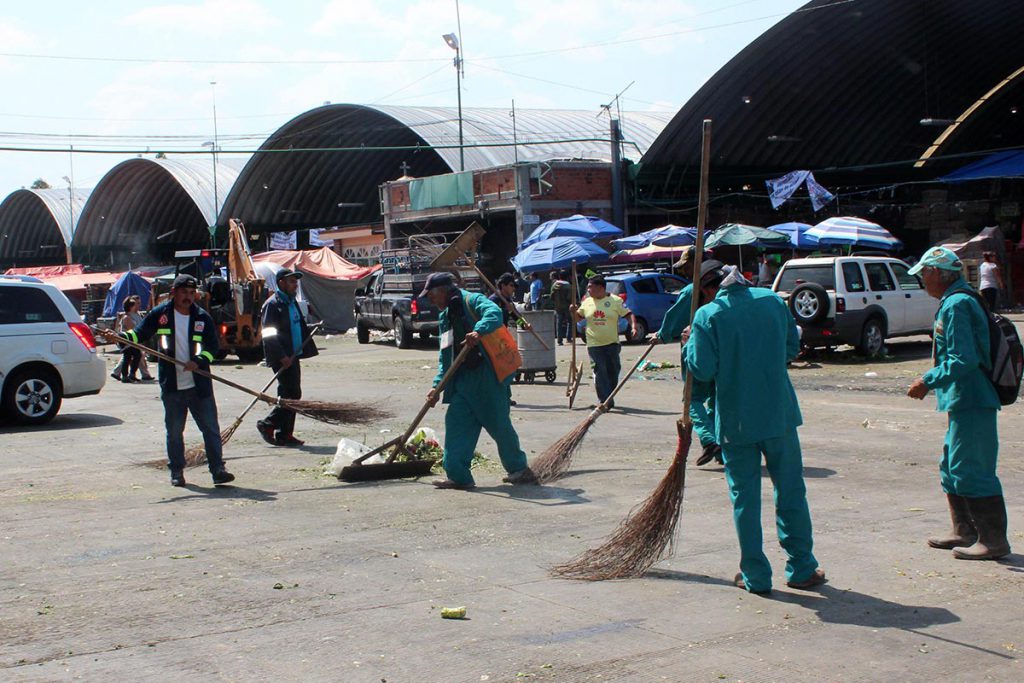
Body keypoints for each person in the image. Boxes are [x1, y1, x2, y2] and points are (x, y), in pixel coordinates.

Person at [684, 263, 823, 594]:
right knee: (790, 490)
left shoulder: (708, 316)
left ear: (708, 289)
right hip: (779, 415)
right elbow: (792, 348)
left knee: (745, 499)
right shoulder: (772, 301)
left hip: (736, 422)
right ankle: (802, 567)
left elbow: (702, 370)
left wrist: (691, 343)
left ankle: (756, 576)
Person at [906, 247, 1010, 560]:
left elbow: (963, 357)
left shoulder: (958, 304)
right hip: (962, 399)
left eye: (924, 273)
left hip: (972, 398)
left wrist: (927, 381)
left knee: (972, 469)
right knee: (951, 467)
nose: (923, 280)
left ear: (937, 273)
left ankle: (993, 541)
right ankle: (964, 531)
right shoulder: (957, 300)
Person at [423, 272, 534, 489]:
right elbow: (445, 357)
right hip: (463, 382)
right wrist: (437, 386)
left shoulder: (471, 300)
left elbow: (494, 313)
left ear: (443, 291)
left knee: (499, 425)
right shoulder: (444, 318)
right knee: (456, 423)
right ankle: (458, 476)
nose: (431, 300)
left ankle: (519, 470)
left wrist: (478, 331)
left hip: (488, 376)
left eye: (432, 296)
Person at [124, 274, 234, 487]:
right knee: (175, 431)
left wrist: (200, 361)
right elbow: (140, 333)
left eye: (192, 293)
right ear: (173, 293)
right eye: (184, 292)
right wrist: (121, 337)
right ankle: (177, 471)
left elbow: (213, 346)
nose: (188, 297)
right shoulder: (160, 314)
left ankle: (218, 469)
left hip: (199, 386)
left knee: (210, 429)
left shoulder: (202, 317)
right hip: (173, 386)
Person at [653, 249, 721, 466]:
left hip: (698, 350)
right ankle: (720, 448)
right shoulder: (726, 286)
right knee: (715, 399)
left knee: (692, 400)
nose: (684, 270)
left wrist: (661, 336)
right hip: (723, 351)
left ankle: (710, 441)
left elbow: (672, 320)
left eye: (687, 266)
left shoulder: (692, 291)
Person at [257, 268, 318, 447]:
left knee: (293, 395)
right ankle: (267, 424)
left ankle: (285, 434)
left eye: (295, 281)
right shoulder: (272, 304)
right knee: (289, 395)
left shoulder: (292, 302)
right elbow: (268, 335)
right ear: (281, 283)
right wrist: (282, 356)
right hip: (282, 357)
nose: (295, 284)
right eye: (291, 281)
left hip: (294, 354)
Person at [573, 275, 637, 409]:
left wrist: (634, 327)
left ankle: (609, 397)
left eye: (591, 287)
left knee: (613, 370)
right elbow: (578, 319)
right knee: (599, 371)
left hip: (612, 343)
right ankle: (604, 400)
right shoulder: (587, 302)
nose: (588, 289)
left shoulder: (615, 300)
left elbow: (628, 314)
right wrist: (572, 311)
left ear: (601, 288)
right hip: (594, 344)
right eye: (588, 287)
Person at [489, 272, 519, 406]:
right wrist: (504, 310)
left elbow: (516, 316)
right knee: (500, 368)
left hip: (503, 337)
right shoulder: (493, 301)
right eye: (511, 285)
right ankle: (500, 396)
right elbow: (491, 320)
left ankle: (506, 396)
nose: (513, 289)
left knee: (507, 367)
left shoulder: (508, 300)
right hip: (493, 338)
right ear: (503, 286)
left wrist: (525, 324)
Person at [118, 297, 143, 383]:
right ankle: (125, 376)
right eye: (133, 305)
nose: (136, 306)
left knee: (137, 355)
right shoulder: (126, 317)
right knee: (127, 357)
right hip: (126, 340)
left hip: (132, 340)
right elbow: (132, 329)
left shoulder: (134, 315)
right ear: (130, 307)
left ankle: (132, 374)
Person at [549, 270, 572, 346]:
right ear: (567, 277)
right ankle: (568, 338)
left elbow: (551, 297)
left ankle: (559, 340)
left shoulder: (554, 285)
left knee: (559, 323)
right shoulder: (568, 286)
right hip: (567, 307)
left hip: (558, 306)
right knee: (570, 321)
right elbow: (569, 298)